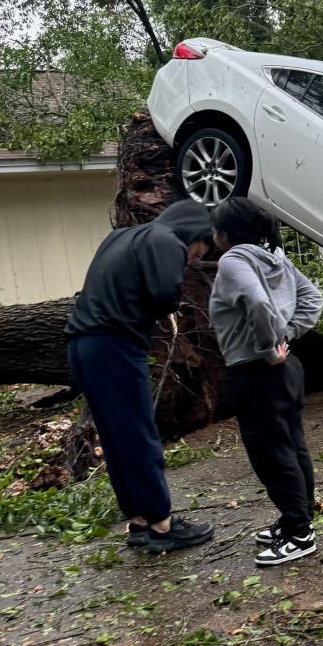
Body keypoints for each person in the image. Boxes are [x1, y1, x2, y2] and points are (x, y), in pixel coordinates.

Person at [66, 201, 216, 555]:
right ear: (194, 234)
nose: (193, 258)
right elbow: (165, 292)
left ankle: (138, 521)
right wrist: (169, 307)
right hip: (115, 345)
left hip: (81, 345)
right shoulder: (167, 240)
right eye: (199, 250)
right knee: (138, 434)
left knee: (117, 439)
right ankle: (163, 525)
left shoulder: (121, 236)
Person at [208, 197, 323, 566]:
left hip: (258, 370)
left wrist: (269, 345)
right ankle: (298, 518)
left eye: (215, 228)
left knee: (271, 453)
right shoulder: (275, 257)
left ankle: (299, 533)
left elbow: (257, 303)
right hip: (286, 370)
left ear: (226, 233)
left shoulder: (233, 260)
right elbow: (313, 298)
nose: (212, 235)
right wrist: (287, 334)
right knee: (291, 445)